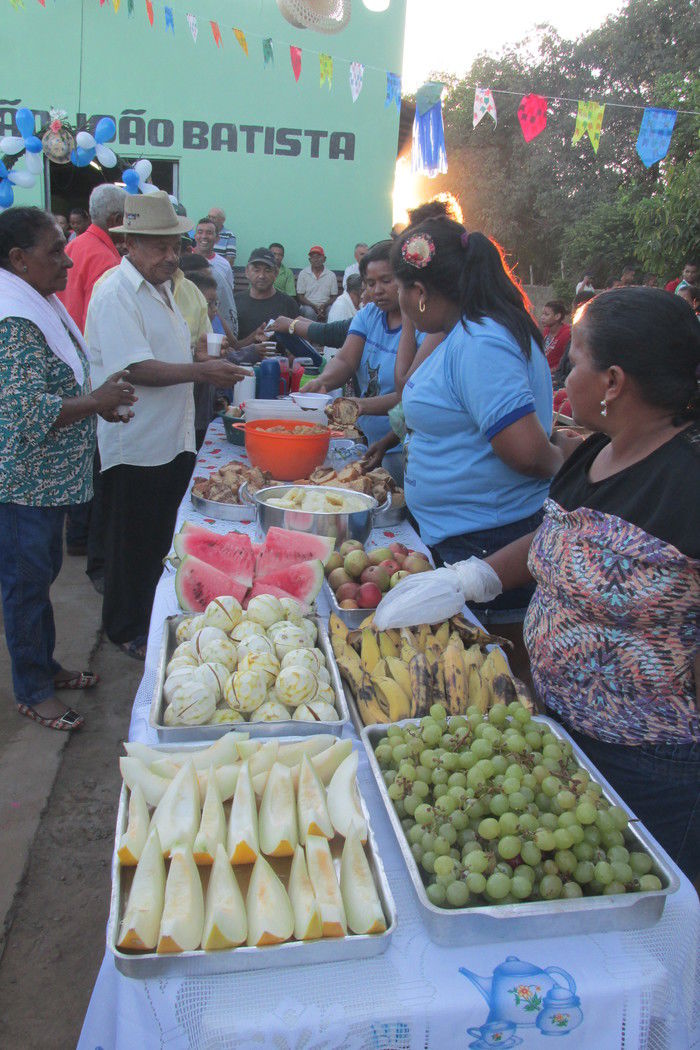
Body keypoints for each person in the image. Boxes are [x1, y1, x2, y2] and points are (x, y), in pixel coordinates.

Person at [384, 289, 700, 878]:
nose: (561, 373)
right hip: (560, 736)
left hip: (652, 769)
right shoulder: (593, 457)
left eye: (573, 361)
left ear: (612, 382)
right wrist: (472, 577)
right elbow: (558, 541)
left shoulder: (686, 484)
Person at [389, 219, 571, 633]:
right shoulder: (463, 333)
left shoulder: (480, 341)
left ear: (418, 293)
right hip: (467, 537)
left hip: (487, 544)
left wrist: (562, 456)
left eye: (402, 289)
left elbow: (525, 452)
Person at [87, 193, 246, 660]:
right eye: (158, 246)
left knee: (158, 538)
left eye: (174, 244)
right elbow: (134, 367)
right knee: (130, 544)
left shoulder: (165, 288)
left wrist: (201, 361)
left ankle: (150, 617)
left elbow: (170, 355)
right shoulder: (115, 291)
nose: (171, 255)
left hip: (171, 437)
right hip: (136, 440)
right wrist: (203, 373)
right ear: (129, 243)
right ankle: (124, 628)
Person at [0, 206, 136, 731]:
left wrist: (97, 402)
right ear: (18, 259)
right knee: (26, 585)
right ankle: (32, 690)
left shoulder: (39, 302)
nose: (67, 259)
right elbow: (25, 409)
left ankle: (44, 666)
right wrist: (96, 400)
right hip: (22, 484)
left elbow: (61, 385)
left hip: (44, 483)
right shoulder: (13, 321)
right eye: (55, 250)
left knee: (42, 578)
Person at [304, 240, 410, 480]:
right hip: (373, 441)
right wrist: (322, 383)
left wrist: (361, 406)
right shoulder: (369, 315)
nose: (377, 290)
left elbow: (411, 395)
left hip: (400, 446)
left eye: (386, 280)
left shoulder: (421, 327)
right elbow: (345, 360)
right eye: (371, 283)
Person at [58, 184, 126, 333]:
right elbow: (99, 322)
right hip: (85, 348)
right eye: (128, 218)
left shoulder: (73, 245)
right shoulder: (108, 261)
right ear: (117, 219)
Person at [235, 247, 298, 360]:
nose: (262, 276)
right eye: (256, 270)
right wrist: (253, 337)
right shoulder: (235, 302)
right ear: (247, 272)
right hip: (239, 369)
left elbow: (298, 345)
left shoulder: (288, 304)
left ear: (276, 273)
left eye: (268, 270)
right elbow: (230, 346)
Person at [193, 217, 237, 343]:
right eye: (200, 232)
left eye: (209, 232)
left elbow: (226, 295)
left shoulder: (224, 264)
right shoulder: (186, 259)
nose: (204, 236)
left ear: (217, 238)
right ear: (195, 236)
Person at [324, 273, 361, 359]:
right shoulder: (340, 306)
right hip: (337, 359)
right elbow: (336, 340)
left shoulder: (359, 304)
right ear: (360, 291)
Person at [296, 246, 338, 321]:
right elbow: (300, 296)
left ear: (324, 259)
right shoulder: (303, 273)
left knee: (332, 310)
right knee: (310, 312)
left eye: (319, 256)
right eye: (313, 257)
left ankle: (330, 332)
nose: (316, 259)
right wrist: (313, 306)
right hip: (308, 305)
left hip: (326, 305)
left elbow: (334, 296)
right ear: (310, 260)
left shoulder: (331, 275)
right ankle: (311, 332)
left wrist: (324, 306)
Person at [540, 299, 571, 373]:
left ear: (557, 316)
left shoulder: (567, 334)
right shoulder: (546, 330)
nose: (542, 317)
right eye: (542, 314)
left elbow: (568, 362)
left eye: (546, 314)